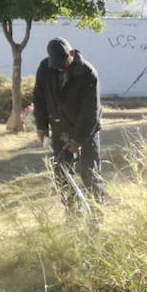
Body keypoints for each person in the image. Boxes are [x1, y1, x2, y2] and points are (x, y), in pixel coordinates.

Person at [33, 37, 105, 212]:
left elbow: (90, 112)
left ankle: (97, 213)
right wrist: (41, 126)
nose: (59, 67)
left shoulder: (88, 73)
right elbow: (39, 98)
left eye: (63, 62)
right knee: (61, 172)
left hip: (86, 130)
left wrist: (78, 139)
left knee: (90, 173)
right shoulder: (45, 68)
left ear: (71, 53)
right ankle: (73, 212)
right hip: (60, 127)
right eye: (56, 63)